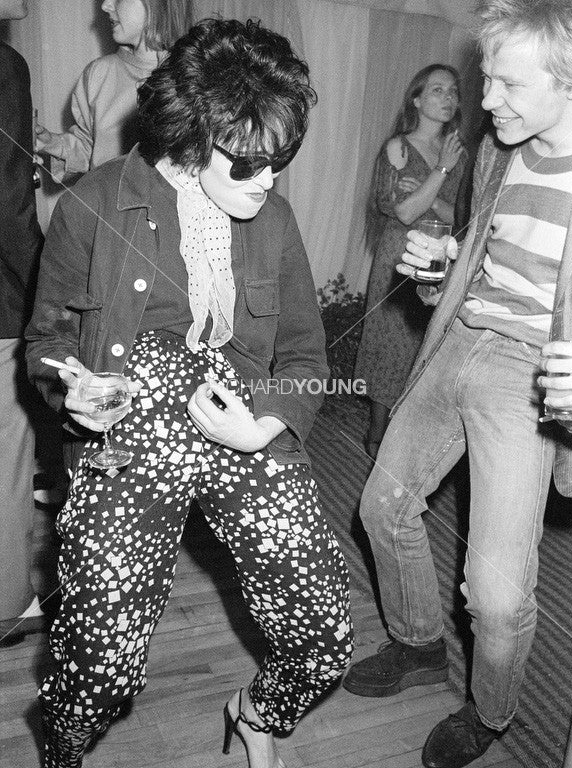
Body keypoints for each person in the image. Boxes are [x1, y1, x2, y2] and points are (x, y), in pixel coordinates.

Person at [25, 17, 353, 768]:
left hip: (238, 409)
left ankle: (257, 715)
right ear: (194, 139)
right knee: (99, 658)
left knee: (324, 630)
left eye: (282, 160)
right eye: (248, 165)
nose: (268, 181)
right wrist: (67, 393)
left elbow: (304, 350)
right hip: (131, 418)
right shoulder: (91, 204)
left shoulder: (273, 218)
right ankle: (65, 748)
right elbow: (45, 345)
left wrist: (267, 424)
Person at [342, 0, 572, 766]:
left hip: (530, 375)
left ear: (569, 81)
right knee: (382, 509)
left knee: (498, 597)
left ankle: (492, 712)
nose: (485, 100)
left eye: (507, 84)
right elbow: (482, 254)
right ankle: (417, 642)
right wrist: (436, 273)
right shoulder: (497, 152)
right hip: (456, 342)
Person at [354, 64, 466, 458]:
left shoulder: (459, 154)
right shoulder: (398, 147)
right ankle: (378, 429)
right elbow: (402, 212)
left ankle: (411, 431)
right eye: (438, 90)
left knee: (426, 341)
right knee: (393, 340)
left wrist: (430, 194)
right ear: (416, 100)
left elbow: (464, 216)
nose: (448, 98)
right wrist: (441, 172)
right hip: (400, 254)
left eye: (453, 91)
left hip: (442, 256)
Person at [0, 0, 46, 647]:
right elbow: (9, 204)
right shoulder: (4, 67)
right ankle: (9, 606)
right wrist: (50, 289)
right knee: (8, 457)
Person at [34, 0, 195, 181]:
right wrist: (53, 144)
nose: (105, 5)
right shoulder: (98, 74)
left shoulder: (195, 74)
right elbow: (91, 148)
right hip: (109, 206)